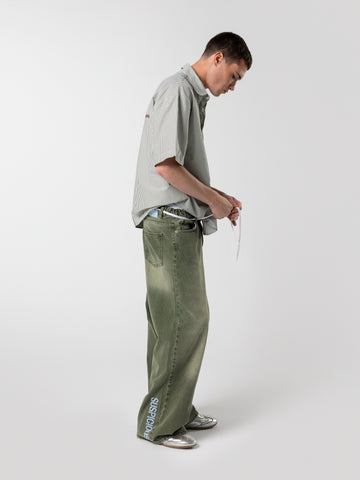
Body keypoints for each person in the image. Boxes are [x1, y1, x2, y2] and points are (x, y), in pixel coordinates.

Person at [131, 32, 252, 449]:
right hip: (169, 225)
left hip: (175, 224)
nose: (232, 87)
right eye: (234, 76)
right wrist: (213, 201)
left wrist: (219, 197)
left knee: (175, 322)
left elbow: (179, 167)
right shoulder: (178, 90)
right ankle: (158, 424)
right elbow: (165, 166)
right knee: (184, 321)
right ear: (217, 58)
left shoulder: (189, 95)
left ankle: (176, 408)